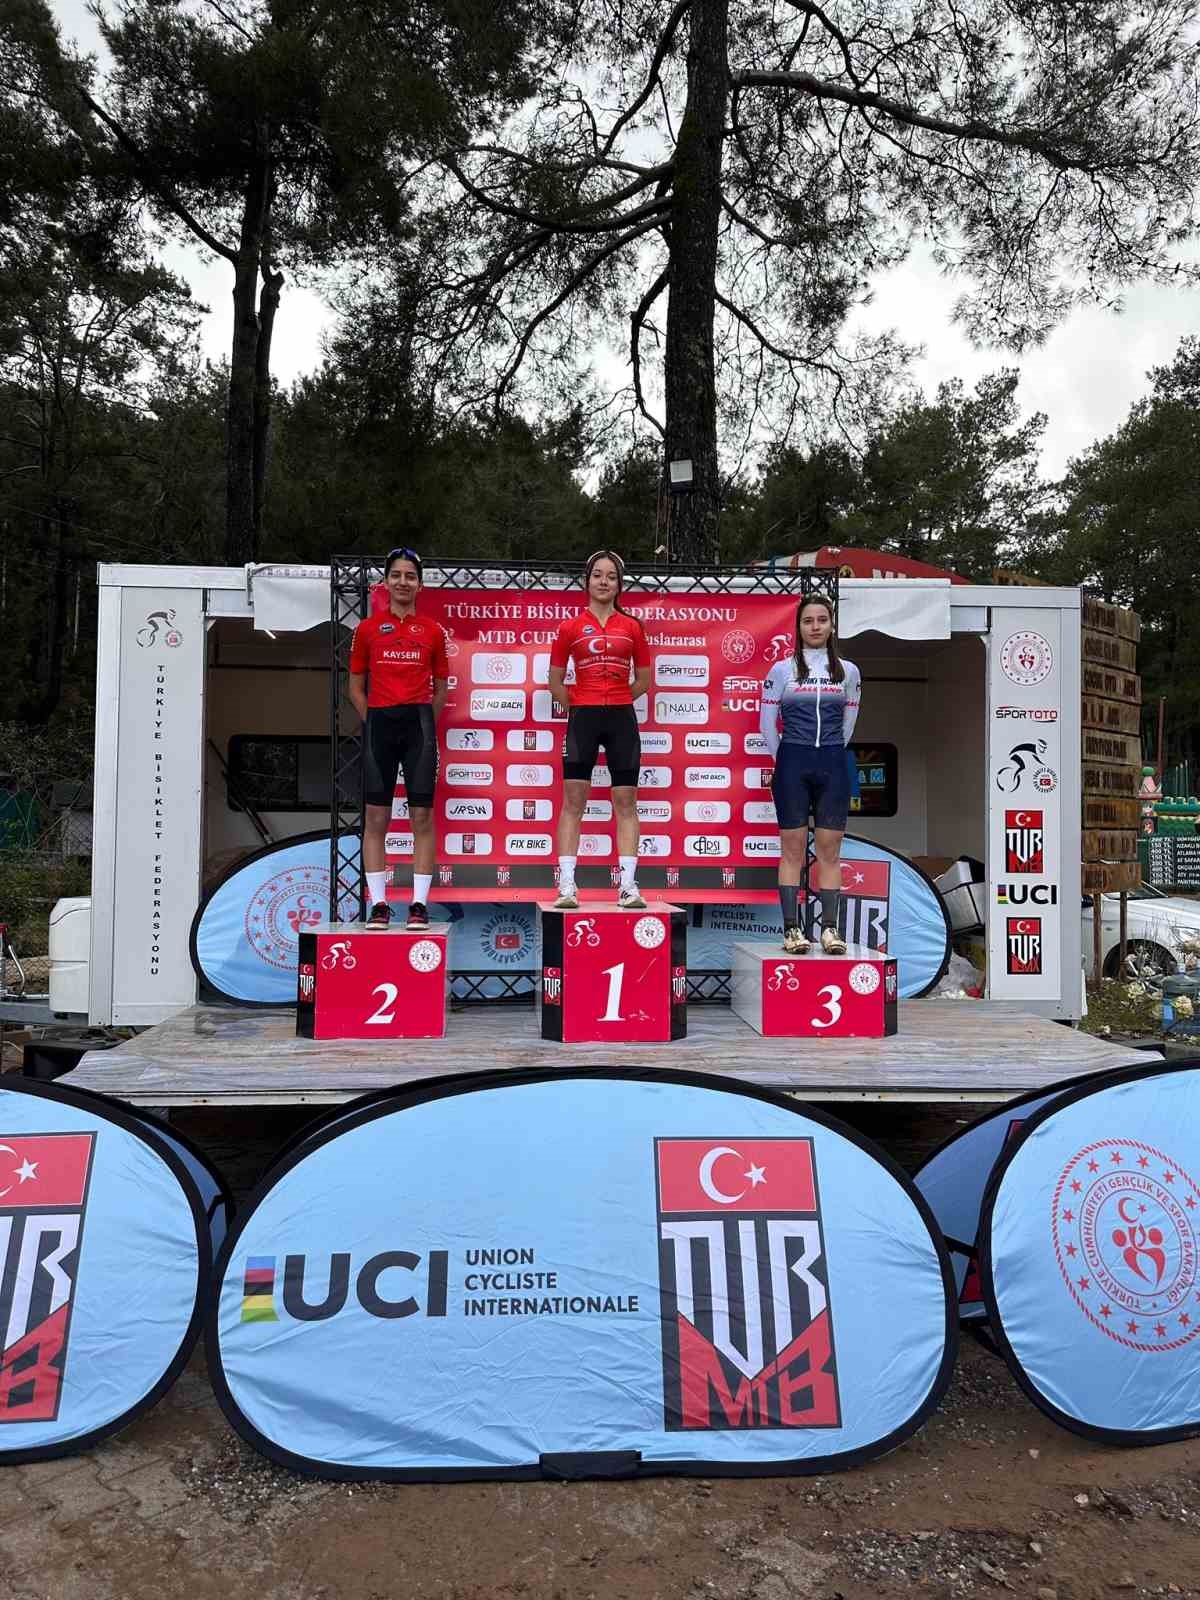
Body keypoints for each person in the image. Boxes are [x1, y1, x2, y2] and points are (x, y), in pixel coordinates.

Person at [348, 548, 448, 930]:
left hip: (418, 725)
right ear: (385, 582)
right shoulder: (367, 629)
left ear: (419, 584)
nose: (403, 582)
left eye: (410, 576)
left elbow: (441, 688)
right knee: (376, 816)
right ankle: (379, 904)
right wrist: (374, 719)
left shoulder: (433, 631)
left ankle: (418, 904)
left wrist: (422, 721)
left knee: (422, 815)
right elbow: (355, 688)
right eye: (396, 575)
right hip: (380, 725)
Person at [759, 593, 861, 955]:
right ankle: (791, 930)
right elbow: (766, 724)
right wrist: (786, 758)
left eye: (822, 620)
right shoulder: (781, 670)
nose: (815, 627)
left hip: (833, 761)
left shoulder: (848, 671)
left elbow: (849, 722)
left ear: (832, 625)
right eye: (808, 621)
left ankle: (830, 930)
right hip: (793, 760)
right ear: (798, 627)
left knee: (830, 850)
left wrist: (829, 751)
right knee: (793, 849)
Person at [548, 550, 651, 910]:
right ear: (587, 581)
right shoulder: (570, 627)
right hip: (584, 719)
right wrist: (581, 705)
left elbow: (644, 680)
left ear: (619, 584)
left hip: (621, 718)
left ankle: (627, 886)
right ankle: (566, 885)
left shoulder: (632, 627)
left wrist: (617, 699)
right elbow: (555, 682)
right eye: (597, 575)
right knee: (573, 801)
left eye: (611, 576)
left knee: (626, 802)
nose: (603, 582)